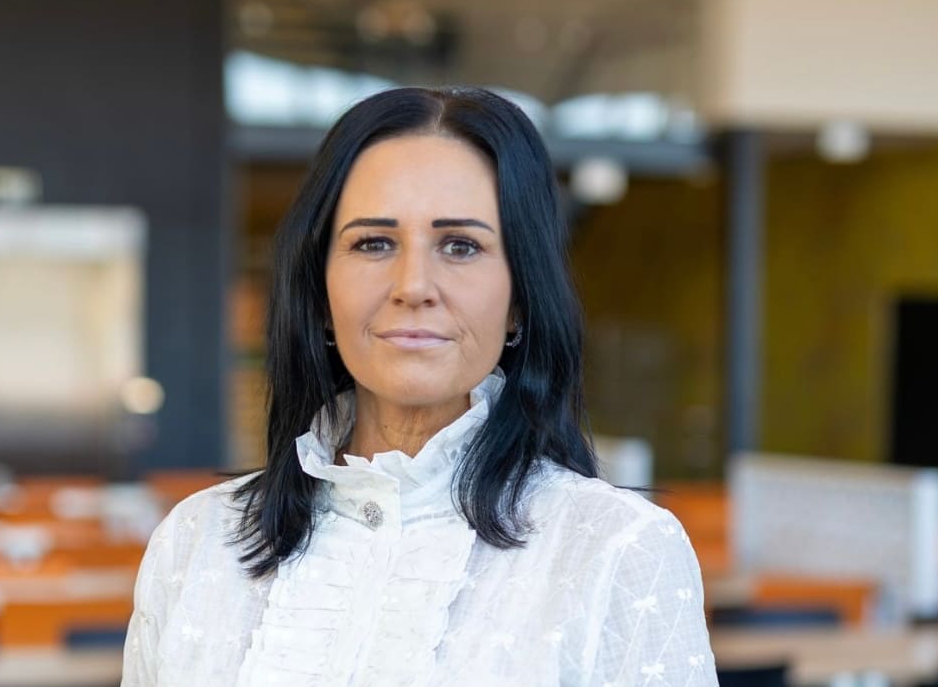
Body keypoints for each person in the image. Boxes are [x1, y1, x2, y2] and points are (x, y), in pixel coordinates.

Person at [122, 86, 717, 686]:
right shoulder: (196, 543)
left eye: (461, 246)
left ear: (520, 298)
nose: (413, 286)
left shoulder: (619, 551)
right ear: (321, 293)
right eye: (373, 243)